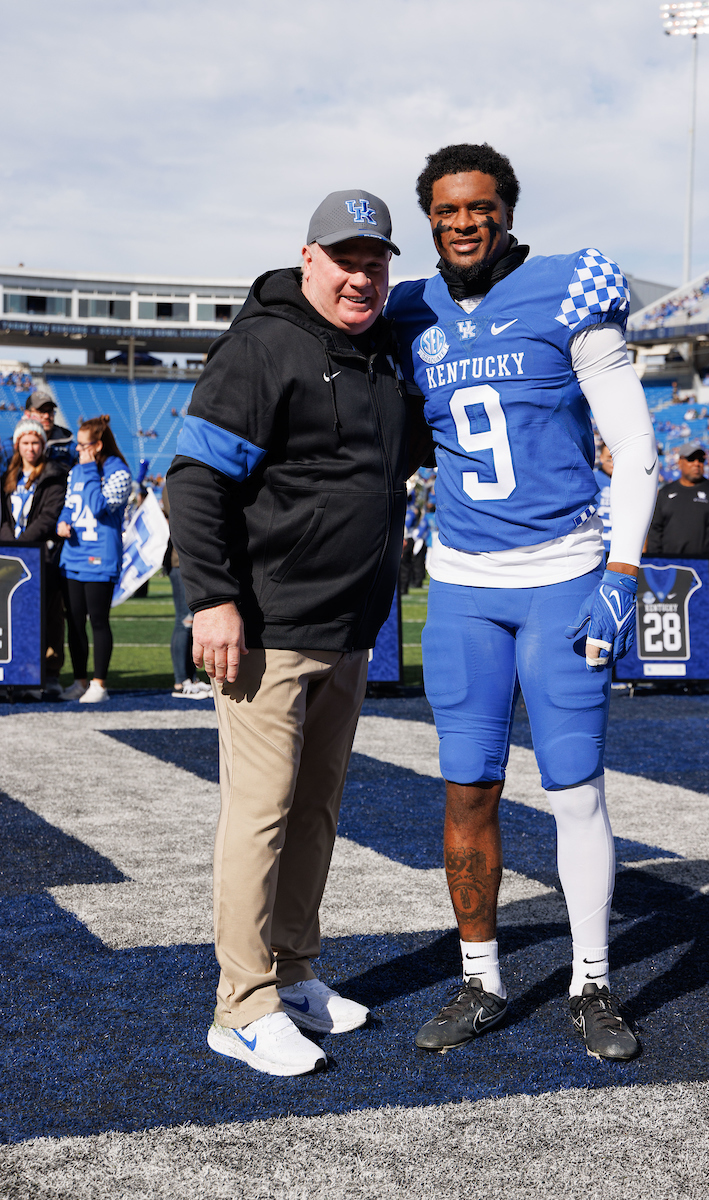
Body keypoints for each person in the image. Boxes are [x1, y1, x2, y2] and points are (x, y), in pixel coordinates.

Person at [387, 142, 658, 1061]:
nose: (464, 221)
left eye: (481, 205)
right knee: (468, 789)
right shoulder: (408, 309)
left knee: (574, 787)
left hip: (564, 573)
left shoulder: (569, 287)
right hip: (463, 583)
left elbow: (636, 443)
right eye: (448, 209)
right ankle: (482, 981)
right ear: (429, 216)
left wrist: (621, 576)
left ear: (505, 208)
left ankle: (591, 983)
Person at [167, 189, 427, 1078]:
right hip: (269, 630)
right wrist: (212, 597)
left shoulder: (383, 357)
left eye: (377, 260)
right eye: (346, 257)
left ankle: (295, 972)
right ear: (307, 257)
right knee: (261, 817)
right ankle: (240, 1006)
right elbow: (195, 480)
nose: (362, 275)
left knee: (316, 812)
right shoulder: (262, 344)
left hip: (349, 631)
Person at [56, 416, 132, 703]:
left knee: (98, 620)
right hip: (73, 555)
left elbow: (99, 507)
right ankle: (79, 681)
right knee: (74, 622)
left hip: (100, 555)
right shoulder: (76, 471)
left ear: (98, 445)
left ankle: (99, 684)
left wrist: (89, 470)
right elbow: (69, 506)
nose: (77, 449)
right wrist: (61, 524)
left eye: (83, 444)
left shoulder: (119, 473)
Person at [0, 418, 68, 698]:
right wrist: (9, 543)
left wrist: (23, 545)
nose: (31, 448)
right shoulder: (7, 477)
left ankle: (47, 675)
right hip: (7, 556)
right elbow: (3, 516)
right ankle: (12, 676)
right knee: (9, 618)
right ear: (17, 445)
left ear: (43, 445)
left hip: (42, 556)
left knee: (49, 617)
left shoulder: (53, 475)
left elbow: (49, 517)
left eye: (36, 442)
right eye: (26, 443)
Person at [647, 442, 709, 594]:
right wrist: (655, 564)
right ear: (680, 462)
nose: (696, 463)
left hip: (705, 569)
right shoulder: (665, 493)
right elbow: (655, 530)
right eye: (691, 459)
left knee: (703, 616)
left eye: (700, 460)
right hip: (670, 569)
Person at [160, 482, 213, 699]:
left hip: (191, 560)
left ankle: (191, 677)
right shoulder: (176, 481)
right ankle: (181, 680)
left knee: (191, 621)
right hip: (181, 560)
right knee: (185, 621)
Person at [25, 390, 76, 470]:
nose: (46, 416)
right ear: (27, 414)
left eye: (50, 411)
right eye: (40, 411)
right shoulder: (12, 446)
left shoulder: (69, 447)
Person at [594, 442, 613, 557]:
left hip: (621, 549)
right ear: (601, 458)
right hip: (598, 547)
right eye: (609, 458)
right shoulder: (593, 478)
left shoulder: (630, 481)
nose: (612, 463)